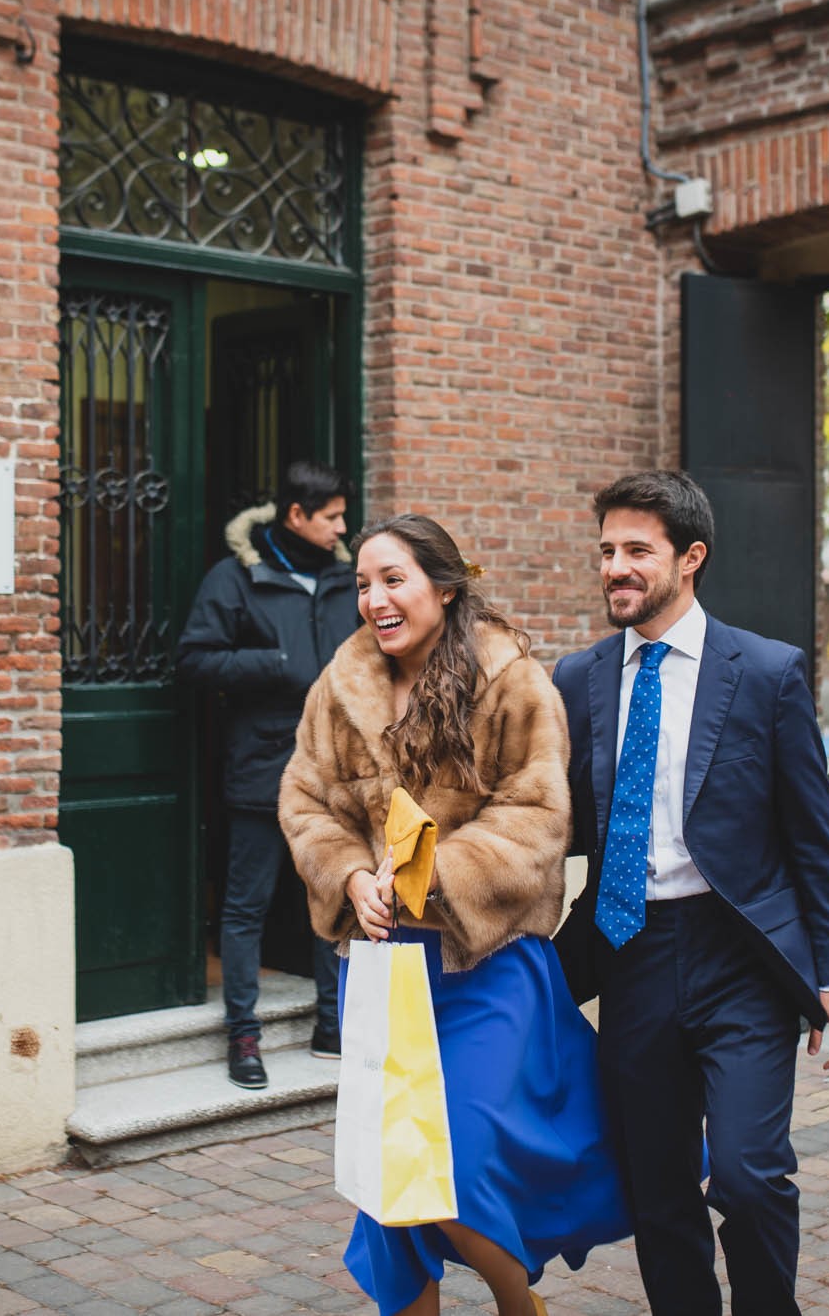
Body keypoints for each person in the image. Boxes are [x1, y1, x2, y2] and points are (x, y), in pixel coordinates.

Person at [280, 514, 630, 1316]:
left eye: (393, 579)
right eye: (363, 584)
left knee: (459, 1166)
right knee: (392, 1181)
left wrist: (431, 874)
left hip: (486, 965)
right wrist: (350, 876)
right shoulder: (340, 686)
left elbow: (538, 818)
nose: (375, 599)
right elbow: (304, 802)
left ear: (443, 586)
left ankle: (519, 1305)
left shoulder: (511, 681)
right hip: (384, 967)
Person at [552, 471, 829, 1316]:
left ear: (690, 557)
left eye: (637, 550)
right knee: (656, 1187)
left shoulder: (765, 672)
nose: (616, 567)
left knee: (748, 1175)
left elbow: (815, 839)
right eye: (607, 550)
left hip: (742, 959)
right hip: (630, 952)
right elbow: (542, 818)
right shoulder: (578, 679)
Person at [176, 461, 359, 1090]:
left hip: (334, 770)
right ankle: (243, 1034)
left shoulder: (347, 580)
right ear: (296, 515)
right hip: (262, 767)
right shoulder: (235, 577)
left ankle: (333, 1025)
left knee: (334, 897)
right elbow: (195, 659)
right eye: (332, 516)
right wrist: (277, 662)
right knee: (246, 905)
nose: (342, 528)